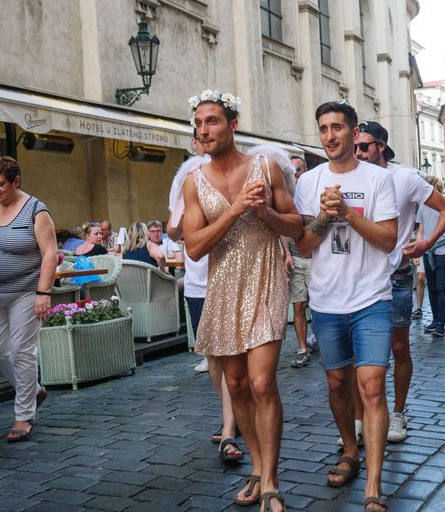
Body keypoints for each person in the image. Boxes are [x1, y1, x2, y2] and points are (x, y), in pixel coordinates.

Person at [183, 89, 301, 512]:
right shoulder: (194, 183)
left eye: (211, 121)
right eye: (198, 124)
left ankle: (270, 479)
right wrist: (234, 210)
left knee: (261, 382)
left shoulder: (266, 168)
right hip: (223, 288)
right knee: (235, 384)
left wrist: (266, 212)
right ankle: (256, 466)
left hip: (266, 278)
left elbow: (296, 226)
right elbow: (194, 247)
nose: (203, 131)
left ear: (233, 124)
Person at [295, 101, 397, 511]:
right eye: (323, 129)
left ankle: (374, 485)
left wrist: (349, 215)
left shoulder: (378, 179)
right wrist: (322, 216)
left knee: (371, 386)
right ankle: (349, 451)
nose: (330, 135)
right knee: (338, 383)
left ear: (355, 134)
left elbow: (388, 240)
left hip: (372, 297)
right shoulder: (310, 181)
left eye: (337, 127)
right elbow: (303, 245)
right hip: (327, 299)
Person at [353, 121, 445, 444]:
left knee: (398, 347)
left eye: (364, 146)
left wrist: (427, 243)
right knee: (361, 353)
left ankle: (397, 413)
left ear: (381, 146)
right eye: (356, 146)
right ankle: (362, 415)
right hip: (358, 276)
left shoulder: (405, 177)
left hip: (395, 276)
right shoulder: (352, 175)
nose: (358, 152)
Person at [0, 156, 57, 442]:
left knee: (22, 350)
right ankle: (33, 390)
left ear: (16, 182)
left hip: (25, 291)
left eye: (1, 184)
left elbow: (50, 254)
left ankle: (23, 417)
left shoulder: (36, 210)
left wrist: (43, 293)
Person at [167, 136, 242, 462]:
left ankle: (229, 428)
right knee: (213, 356)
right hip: (198, 279)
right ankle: (233, 413)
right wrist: (186, 219)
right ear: (195, 144)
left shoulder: (235, 171)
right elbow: (173, 230)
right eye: (199, 137)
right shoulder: (186, 175)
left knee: (231, 354)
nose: (204, 142)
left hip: (231, 273)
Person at [280, 156, 315, 368]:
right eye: (291, 172)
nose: (295, 175)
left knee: (319, 305)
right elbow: (283, 229)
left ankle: (319, 339)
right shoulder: (286, 198)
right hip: (295, 258)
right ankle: (303, 348)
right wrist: (286, 253)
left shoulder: (311, 192)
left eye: (298, 170)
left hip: (315, 259)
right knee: (299, 305)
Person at [416, 182, 445, 337]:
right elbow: (421, 231)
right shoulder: (422, 207)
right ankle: (435, 320)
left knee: (441, 287)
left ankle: (441, 323)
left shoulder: (444, 206)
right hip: (427, 252)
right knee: (432, 287)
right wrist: (418, 253)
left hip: (442, 251)